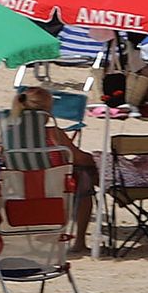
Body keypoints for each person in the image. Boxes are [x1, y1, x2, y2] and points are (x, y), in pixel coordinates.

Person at [9, 84, 98, 252]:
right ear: (47, 112)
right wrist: (96, 160)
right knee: (86, 176)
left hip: (18, 188)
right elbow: (79, 158)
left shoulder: (8, 134)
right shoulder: (54, 134)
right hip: (54, 189)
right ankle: (80, 241)